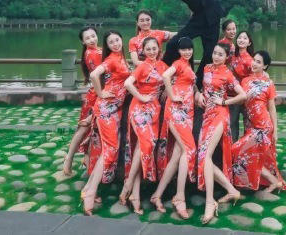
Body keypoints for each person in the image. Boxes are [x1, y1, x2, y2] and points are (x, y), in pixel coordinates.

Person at [80, 30, 131, 216]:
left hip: (115, 110)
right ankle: (90, 192)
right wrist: (100, 93)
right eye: (111, 42)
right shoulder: (111, 59)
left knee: (108, 149)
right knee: (110, 150)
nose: (116, 44)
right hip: (107, 109)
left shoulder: (120, 57)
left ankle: (88, 188)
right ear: (107, 45)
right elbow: (94, 74)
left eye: (117, 40)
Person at [196, 43, 247, 224]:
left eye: (220, 54)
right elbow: (203, 87)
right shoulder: (208, 67)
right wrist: (199, 94)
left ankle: (210, 202)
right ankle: (232, 191)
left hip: (219, 115)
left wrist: (225, 102)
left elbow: (243, 95)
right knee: (203, 157)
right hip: (206, 115)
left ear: (226, 57)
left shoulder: (227, 73)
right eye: (215, 53)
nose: (216, 56)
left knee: (205, 156)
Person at [150, 37, 198, 219]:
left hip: (188, 113)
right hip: (177, 112)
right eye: (184, 49)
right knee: (189, 149)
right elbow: (165, 76)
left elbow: (190, 85)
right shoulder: (178, 63)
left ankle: (157, 195)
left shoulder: (188, 65)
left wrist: (197, 93)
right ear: (179, 51)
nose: (187, 52)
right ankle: (179, 196)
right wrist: (172, 95)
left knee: (178, 155)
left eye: (190, 49)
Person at [120, 37, 168, 215]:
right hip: (139, 108)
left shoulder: (163, 66)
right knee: (145, 145)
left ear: (158, 49)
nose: (152, 51)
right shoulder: (142, 66)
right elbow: (127, 84)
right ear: (143, 51)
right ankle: (127, 188)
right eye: (148, 49)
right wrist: (141, 97)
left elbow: (172, 81)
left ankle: (135, 195)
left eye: (154, 48)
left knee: (143, 148)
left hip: (154, 110)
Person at [231, 50, 286, 193]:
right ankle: (272, 182)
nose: (254, 64)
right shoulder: (245, 81)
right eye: (254, 60)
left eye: (258, 62)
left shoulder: (268, 84)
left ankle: (272, 182)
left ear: (265, 66)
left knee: (237, 150)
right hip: (251, 125)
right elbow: (239, 98)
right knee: (250, 154)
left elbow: (272, 108)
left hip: (264, 126)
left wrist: (276, 130)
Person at [62, 26, 102, 176]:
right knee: (85, 128)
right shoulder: (92, 54)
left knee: (90, 129)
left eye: (93, 36)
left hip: (98, 93)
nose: (92, 39)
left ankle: (85, 159)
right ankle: (69, 159)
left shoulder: (98, 50)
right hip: (97, 95)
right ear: (83, 41)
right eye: (88, 38)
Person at [229, 30, 254, 141]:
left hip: (245, 96)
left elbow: (255, 77)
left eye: (245, 38)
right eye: (240, 37)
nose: (241, 40)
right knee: (232, 124)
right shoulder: (233, 56)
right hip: (233, 96)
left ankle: (245, 151)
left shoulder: (250, 60)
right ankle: (232, 150)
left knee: (247, 124)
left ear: (249, 43)